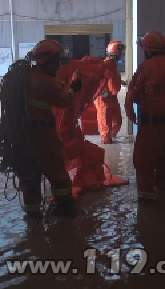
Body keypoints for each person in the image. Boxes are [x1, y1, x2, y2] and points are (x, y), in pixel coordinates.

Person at [20, 39, 82, 216]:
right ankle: (65, 214)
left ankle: (33, 221)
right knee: (59, 177)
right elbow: (64, 100)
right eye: (57, 62)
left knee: (30, 179)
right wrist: (74, 87)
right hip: (43, 136)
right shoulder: (46, 82)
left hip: (23, 137)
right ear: (48, 61)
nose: (59, 66)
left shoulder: (25, 78)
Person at [125, 31, 165, 200]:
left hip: (150, 126)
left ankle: (146, 205)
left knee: (144, 163)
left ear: (147, 50)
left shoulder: (147, 68)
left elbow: (133, 95)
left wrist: (132, 113)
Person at [95, 40, 125, 144]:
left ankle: (112, 141)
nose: (122, 53)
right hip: (104, 100)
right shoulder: (105, 65)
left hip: (113, 98)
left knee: (117, 122)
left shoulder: (113, 65)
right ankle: (108, 153)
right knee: (106, 128)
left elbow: (113, 84)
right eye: (120, 50)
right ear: (115, 51)